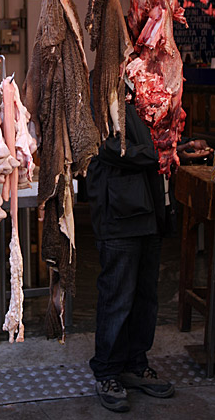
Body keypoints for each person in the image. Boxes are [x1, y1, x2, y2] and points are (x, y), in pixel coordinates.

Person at [86, 84, 213, 413]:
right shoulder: (101, 85)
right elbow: (108, 146)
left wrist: (178, 149)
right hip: (119, 212)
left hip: (150, 210)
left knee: (145, 296)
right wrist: (166, 153)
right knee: (117, 295)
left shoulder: (148, 85)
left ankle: (134, 364)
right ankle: (108, 371)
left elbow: (150, 143)